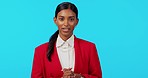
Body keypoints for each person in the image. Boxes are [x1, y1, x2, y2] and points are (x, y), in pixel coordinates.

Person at [31, 2, 102, 78]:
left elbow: (97, 76)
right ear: (55, 21)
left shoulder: (89, 48)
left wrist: (79, 76)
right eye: (61, 19)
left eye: (71, 19)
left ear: (76, 22)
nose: (66, 23)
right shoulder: (40, 51)